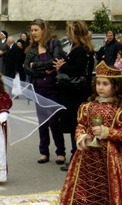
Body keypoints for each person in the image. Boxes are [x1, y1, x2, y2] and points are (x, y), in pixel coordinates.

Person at [56, 61, 122, 205]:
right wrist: (81, 137)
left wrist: (107, 132)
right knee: (87, 189)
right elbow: (81, 126)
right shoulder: (87, 107)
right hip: (87, 157)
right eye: (98, 83)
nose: (100, 87)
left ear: (115, 86)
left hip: (109, 157)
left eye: (105, 84)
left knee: (107, 191)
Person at [24, 18, 66, 165]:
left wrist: (35, 64)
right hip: (38, 88)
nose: (33, 33)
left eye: (36, 30)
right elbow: (26, 68)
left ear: (44, 30)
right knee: (42, 122)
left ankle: (60, 152)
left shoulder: (54, 43)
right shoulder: (32, 49)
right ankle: (44, 152)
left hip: (53, 87)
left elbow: (55, 61)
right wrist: (42, 72)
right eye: (32, 30)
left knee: (54, 121)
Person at [54, 20, 94, 171]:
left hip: (76, 94)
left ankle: (76, 158)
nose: (67, 35)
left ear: (75, 34)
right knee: (77, 126)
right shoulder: (84, 49)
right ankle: (76, 156)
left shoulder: (80, 50)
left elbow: (77, 70)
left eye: (70, 32)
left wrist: (62, 66)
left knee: (76, 126)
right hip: (79, 92)